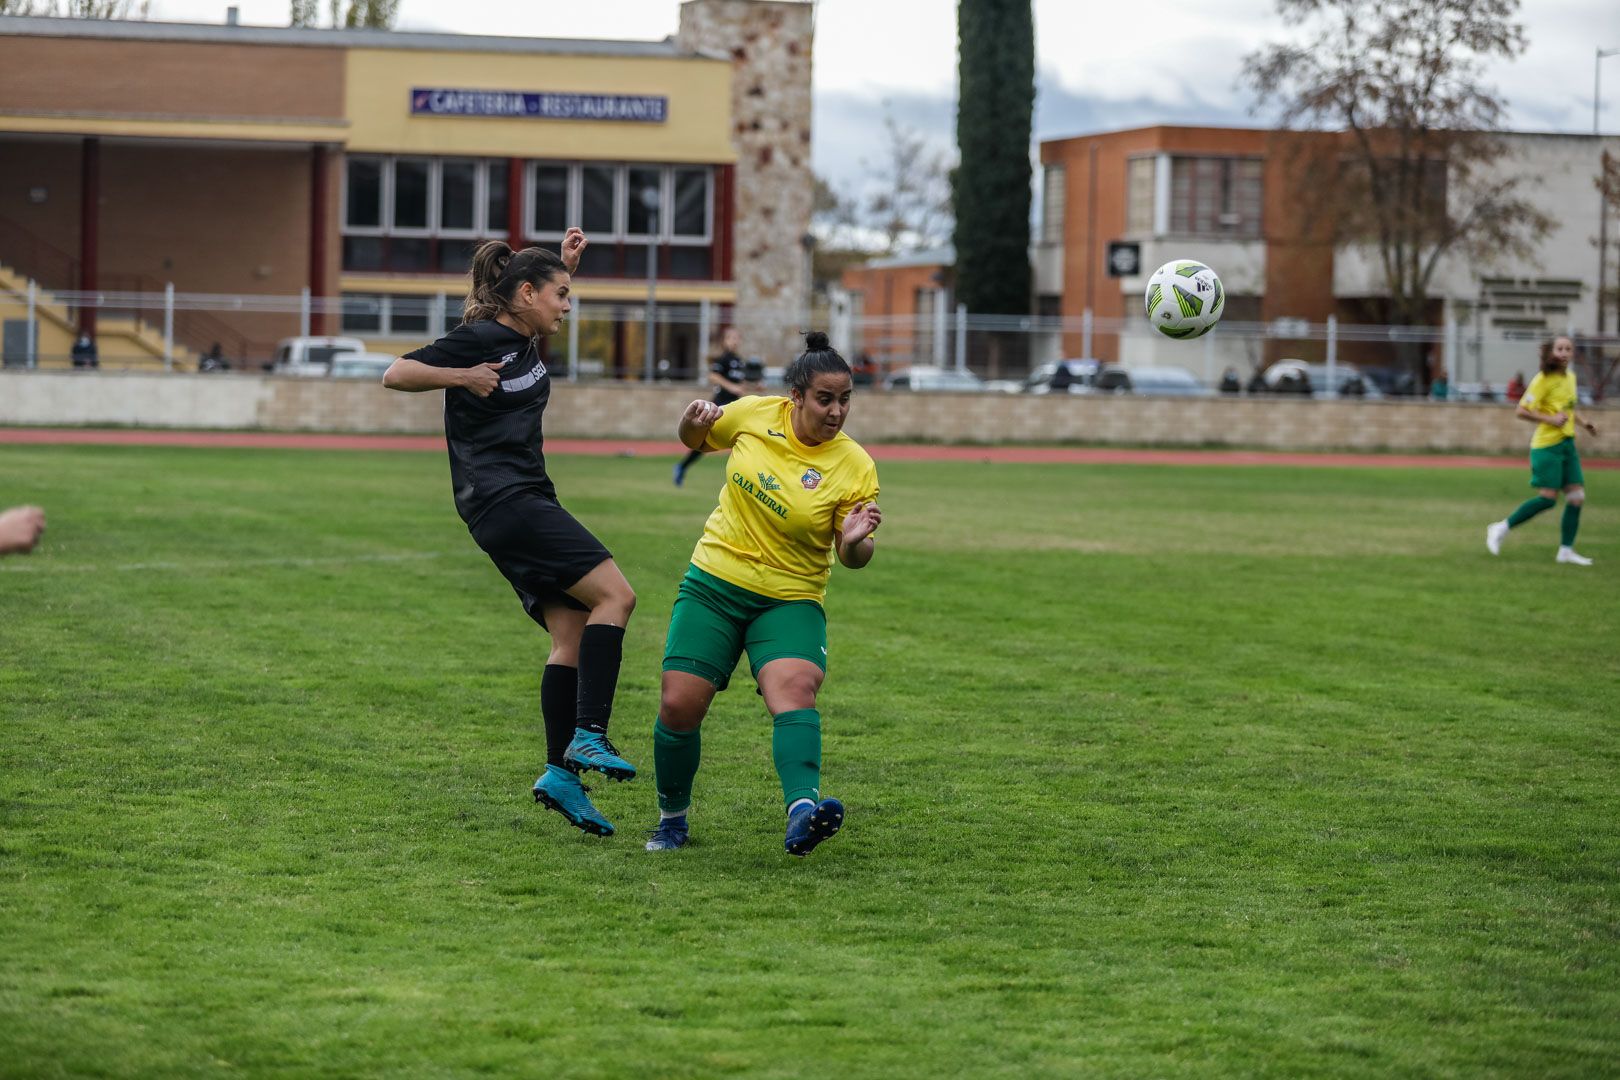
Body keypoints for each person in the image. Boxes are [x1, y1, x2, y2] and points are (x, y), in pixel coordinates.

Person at [382, 229, 639, 836]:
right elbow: (395, 373)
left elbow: (539, 298)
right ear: (526, 293)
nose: (568, 305)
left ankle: (560, 776)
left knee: (571, 631)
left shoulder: (522, 333)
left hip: (514, 499)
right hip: (505, 499)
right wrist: (462, 377)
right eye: (561, 295)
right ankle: (590, 736)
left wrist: (564, 265)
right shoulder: (480, 339)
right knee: (616, 596)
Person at [645, 331, 882, 857]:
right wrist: (693, 420)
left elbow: (853, 557)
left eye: (845, 400)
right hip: (714, 582)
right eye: (825, 399)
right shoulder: (753, 414)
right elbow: (694, 441)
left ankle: (803, 814)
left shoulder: (855, 465)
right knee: (679, 704)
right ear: (795, 397)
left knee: (795, 690)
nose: (837, 411)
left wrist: (854, 542)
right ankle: (671, 820)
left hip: (790, 597)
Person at [1485, 335, 1599, 565]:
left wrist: (1584, 422)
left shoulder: (1570, 378)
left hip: (1567, 444)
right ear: (1551, 353)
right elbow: (1521, 410)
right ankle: (1501, 527)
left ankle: (1565, 551)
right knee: (1548, 499)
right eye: (1560, 348)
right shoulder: (1542, 380)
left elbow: (1566, 409)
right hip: (1547, 446)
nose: (1565, 352)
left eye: (1568, 348)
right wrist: (1549, 419)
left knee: (1576, 496)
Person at [673, 326, 762, 487]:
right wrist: (732, 387)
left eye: (736, 338)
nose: (734, 341)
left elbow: (739, 384)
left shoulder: (739, 361)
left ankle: (741, 477)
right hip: (719, 406)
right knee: (705, 442)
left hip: (734, 408)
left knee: (738, 439)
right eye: (731, 338)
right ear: (724, 341)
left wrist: (753, 386)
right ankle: (682, 466)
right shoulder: (723, 359)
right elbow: (714, 376)